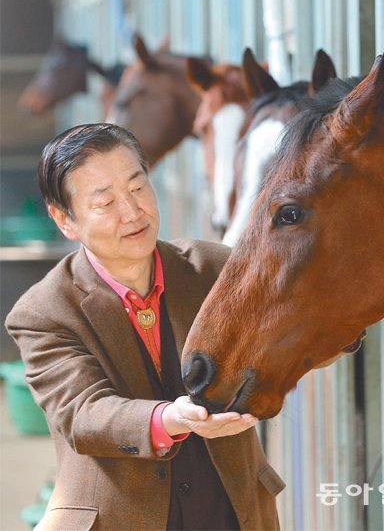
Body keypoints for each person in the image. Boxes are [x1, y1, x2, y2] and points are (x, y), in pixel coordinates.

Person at [5, 123, 285, 531]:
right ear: (65, 220)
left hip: (233, 512)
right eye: (105, 202)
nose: (133, 212)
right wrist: (173, 418)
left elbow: (292, 324)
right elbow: (84, 414)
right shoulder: (44, 311)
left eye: (138, 188)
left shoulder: (215, 269)